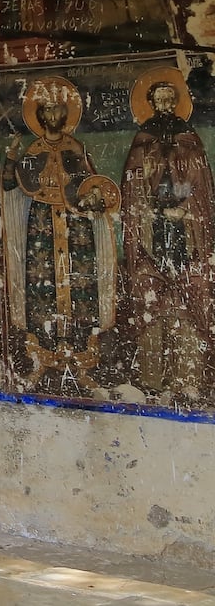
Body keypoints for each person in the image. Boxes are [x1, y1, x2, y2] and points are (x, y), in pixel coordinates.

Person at [2, 76, 119, 393]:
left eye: (57, 111)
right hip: (41, 219)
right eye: (47, 112)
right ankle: (45, 354)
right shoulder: (34, 149)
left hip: (74, 220)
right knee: (44, 285)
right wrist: (11, 157)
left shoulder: (75, 148)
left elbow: (89, 185)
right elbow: (11, 183)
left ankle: (79, 355)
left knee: (79, 282)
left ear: (65, 115)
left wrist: (93, 199)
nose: (53, 117)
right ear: (40, 116)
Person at [118, 67, 214, 401]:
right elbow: (134, 176)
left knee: (187, 297)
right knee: (154, 300)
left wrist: (177, 157)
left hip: (184, 224)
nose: (164, 104)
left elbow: (199, 178)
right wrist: (156, 156)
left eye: (169, 99)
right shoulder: (144, 134)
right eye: (158, 99)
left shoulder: (187, 133)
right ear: (151, 103)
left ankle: (189, 376)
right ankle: (152, 378)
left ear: (176, 102)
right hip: (154, 223)